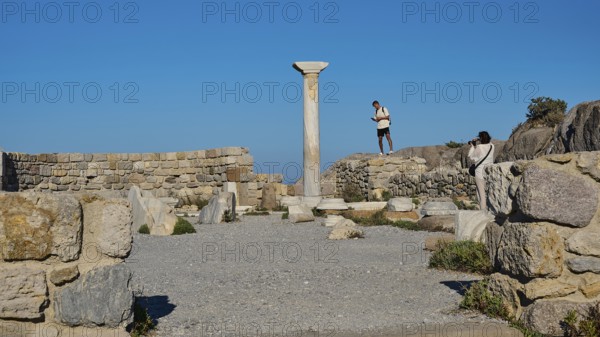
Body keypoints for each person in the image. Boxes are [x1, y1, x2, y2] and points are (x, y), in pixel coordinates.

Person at [468, 131, 495, 211]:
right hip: (488, 172)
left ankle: (483, 213)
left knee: (481, 195)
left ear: (481, 138)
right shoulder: (492, 146)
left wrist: (472, 145)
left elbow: (471, 157)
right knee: (488, 193)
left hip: (479, 173)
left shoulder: (479, 147)